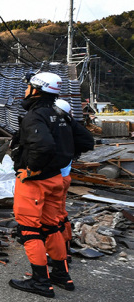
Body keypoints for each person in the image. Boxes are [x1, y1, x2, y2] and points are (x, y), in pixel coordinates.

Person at [8, 72, 74, 298]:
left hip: (36, 182)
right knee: (52, 226)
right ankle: (61, 274)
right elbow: (78, 141)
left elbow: (43, 146)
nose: (25, 90)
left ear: (36, 90)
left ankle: (40, 282)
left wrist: (31, 170)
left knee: (29, 229)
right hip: (56, 178)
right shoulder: (59, 115)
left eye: (28, 86)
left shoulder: (35, 116)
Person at [51, 98, 95, 272]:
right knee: (61, 215)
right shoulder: (71, 128)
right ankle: (64, 249)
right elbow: (87, 142)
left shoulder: (57, 129)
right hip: (64, 177)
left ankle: (57, 255)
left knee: (51, 218)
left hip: (54, 178)